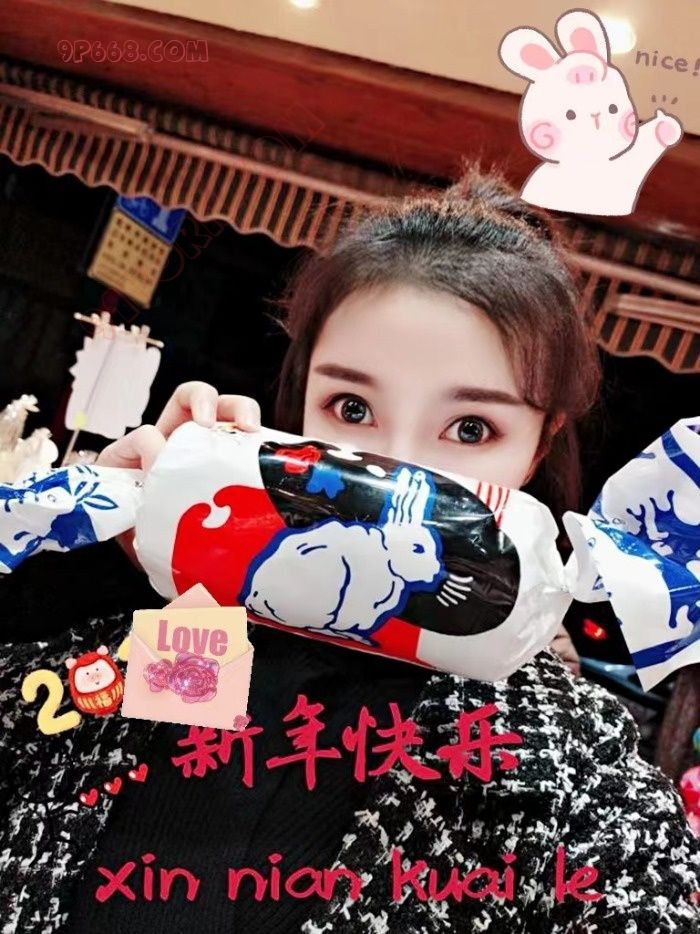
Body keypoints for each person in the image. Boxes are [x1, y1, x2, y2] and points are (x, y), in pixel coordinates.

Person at [3, 169, 697, 932]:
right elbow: (44, 731)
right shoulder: (199, 634)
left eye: (470, 430)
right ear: (299, 406)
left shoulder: (570, 768)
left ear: (537, 449)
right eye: (353, 408)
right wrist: (101, 553)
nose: (395, 470)